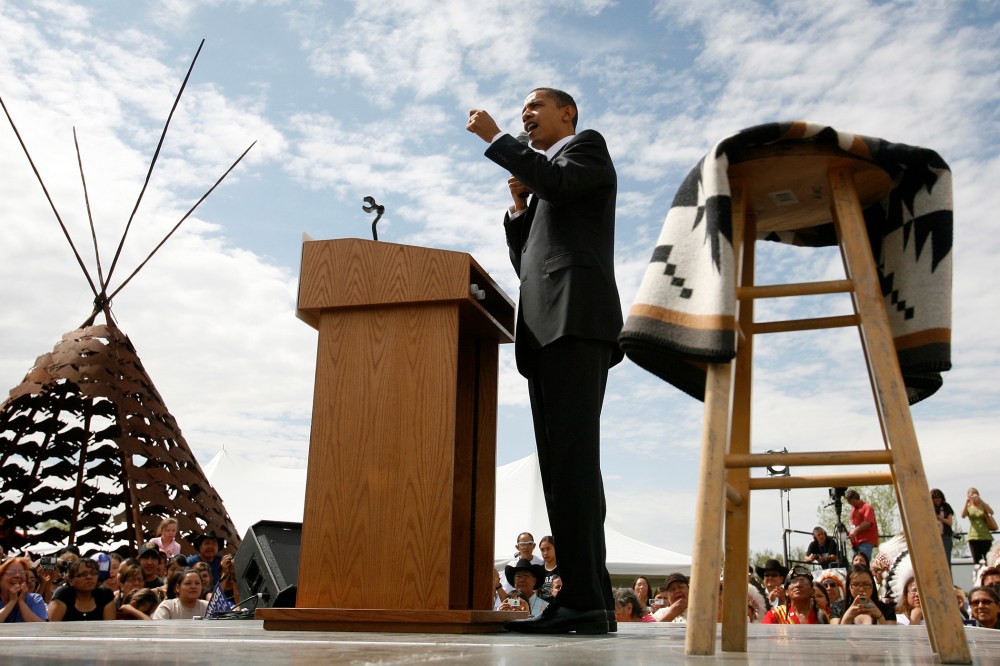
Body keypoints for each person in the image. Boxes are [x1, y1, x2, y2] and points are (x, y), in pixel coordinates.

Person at [467, 87, 622, 636]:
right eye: (521, 112)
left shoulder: (585, 148)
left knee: (572, 467)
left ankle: (582, 599)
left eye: (535, 107)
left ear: (567, 113)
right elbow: (527, 264)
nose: (525, 115)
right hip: (547, 330)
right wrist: (519, 209)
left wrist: (496, 138)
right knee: (564, 470)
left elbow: (557, 182)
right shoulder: (544, 186)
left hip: (574, 323)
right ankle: (593, 598)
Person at [48, 558, 116, 621]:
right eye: (84, 574)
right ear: (71, 581)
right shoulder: (63, 595)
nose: (89, 577)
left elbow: (109, 626)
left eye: (93, 573)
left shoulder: (105, 595)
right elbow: (53, 626)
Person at [762, 567, 828, 624]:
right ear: (786, 592)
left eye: (803, 581)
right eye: (793, 581)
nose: (798, 584)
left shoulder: (821, 615)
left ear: (812, 592)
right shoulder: (775, 615)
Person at [1, 556, 47, 622]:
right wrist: (12, 602)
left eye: (22, 572)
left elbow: (40, 626)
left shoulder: (34, 599)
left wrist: (21, 601)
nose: (17, 575)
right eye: (11, 572)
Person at [962, 487, 995, 564]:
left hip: (985, 536)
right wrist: (966, 502)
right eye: (971, 496)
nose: (973, 498)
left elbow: (991, 512)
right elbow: (963, 515)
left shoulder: (983, 506)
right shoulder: (968, 507)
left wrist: (980, 500)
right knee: (977, 562)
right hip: (973, 536)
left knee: (989, 561)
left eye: (974, 495)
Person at [845, 489, 879, 562]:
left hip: (866, 540)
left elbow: (868, 522)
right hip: (855, 542)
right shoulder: (853, 510)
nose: (849, 503)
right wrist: (848, 533)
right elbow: (852, 525)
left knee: (862, 561)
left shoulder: (867, 507)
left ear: (855, 498)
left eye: (850, 501)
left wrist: (855, 531)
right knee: (856, 563)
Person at [538, 536, 559, 602]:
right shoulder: (539, 571)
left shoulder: (563, 570)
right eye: (542, 550)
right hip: (541, 606)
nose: (545, 553)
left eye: (548, 549)